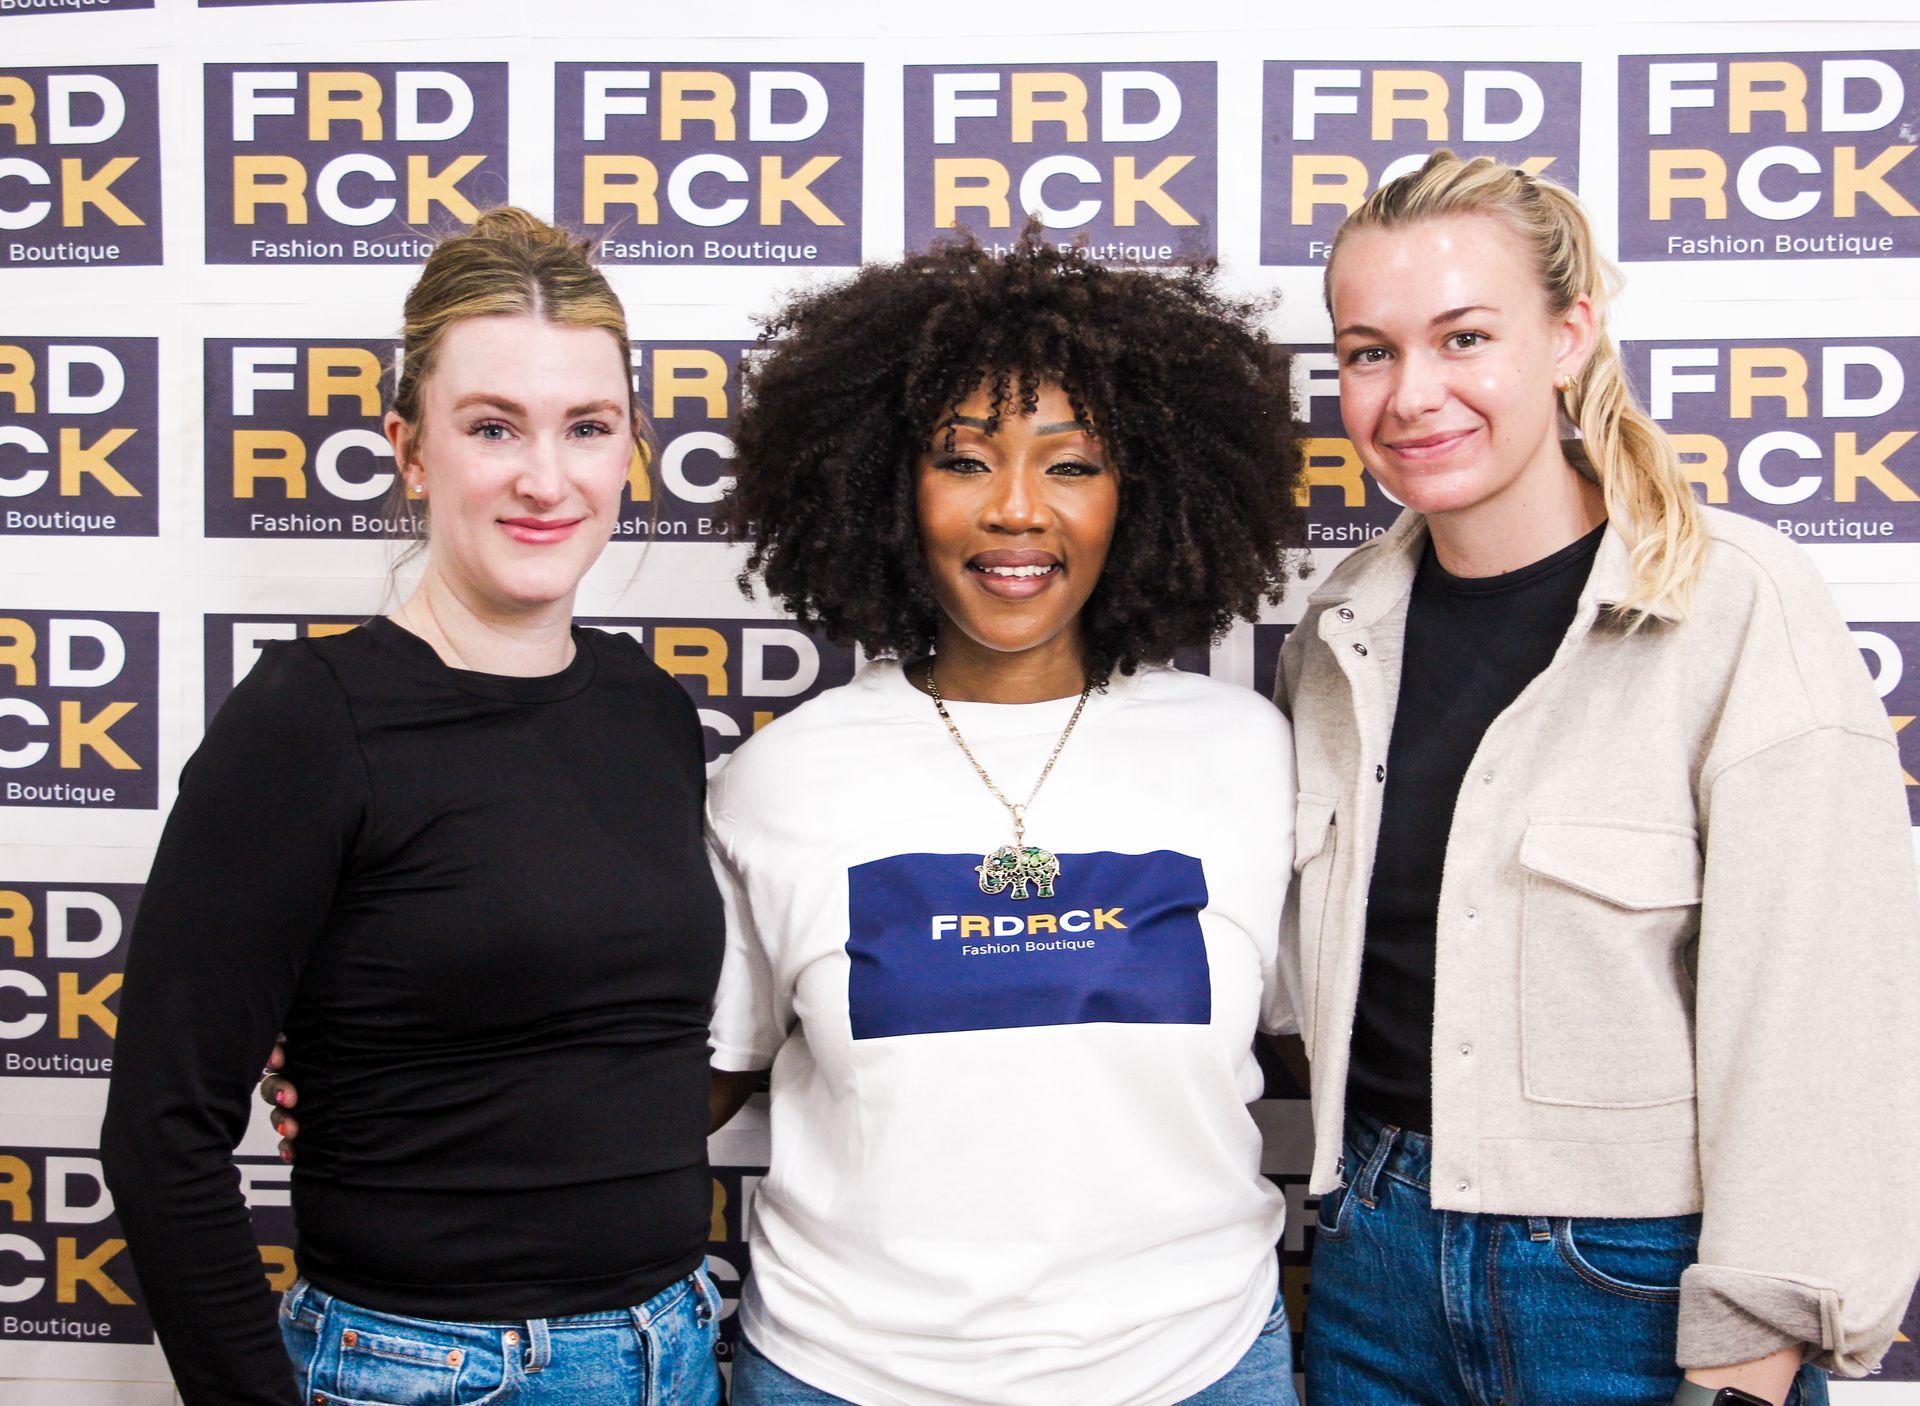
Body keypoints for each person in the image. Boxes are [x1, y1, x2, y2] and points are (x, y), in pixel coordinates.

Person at [1278, 149, 1920, 1406]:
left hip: (1628, 1279)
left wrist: (1753, 1348)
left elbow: (1819, 1009)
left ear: (1570, 334)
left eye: (1466, 337)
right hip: (1369, 1262)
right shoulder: (1341, 630)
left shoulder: (1736, 601)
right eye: (1370, 351)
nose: (1413, 395)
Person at [99, 209, 727, 1406]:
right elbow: (160, 1134)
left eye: (587, 428)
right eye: (493, 427)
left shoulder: (652, 710)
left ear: (631, 446)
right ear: (411, 446)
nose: (546, 478)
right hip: (422, 1372)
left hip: (675, 1349)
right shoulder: (308, 719)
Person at [703, 233, 1309, 1406]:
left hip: (1193, 1367)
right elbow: (686, 1085)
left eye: (1072, 464)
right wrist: (396, 1078)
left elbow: (1337, 1052)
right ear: (885, 483)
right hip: (847, 1373)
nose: (1018, 511)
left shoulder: (1246, 753)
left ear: (1141, 493)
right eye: (964, 460)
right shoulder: (782, 781)